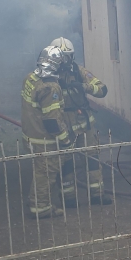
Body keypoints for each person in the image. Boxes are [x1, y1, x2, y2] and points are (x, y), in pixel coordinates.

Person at [49, 37, 109, 204]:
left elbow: (102, 89)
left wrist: (84, 86)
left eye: (68, 56)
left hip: (85, 124)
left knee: (92, 158)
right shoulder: (49, 77)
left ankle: (97, 195)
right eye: (62, 57)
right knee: (66, 161)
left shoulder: (78, 71)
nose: (65, 61)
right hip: (64, 125)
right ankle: (68, 199)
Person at [21, 43, 72, 219]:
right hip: (44, 140)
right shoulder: (51, 88)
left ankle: (35, 199)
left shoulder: (30, 78)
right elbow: (52, 121)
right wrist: (66, 141)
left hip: (30, 136)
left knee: (38, 171)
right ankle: (41, 207)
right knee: (46, 173)